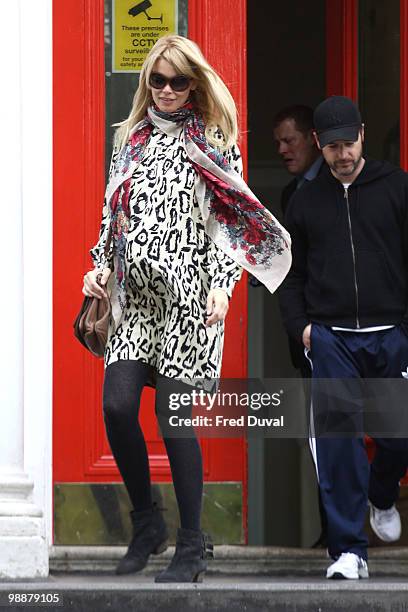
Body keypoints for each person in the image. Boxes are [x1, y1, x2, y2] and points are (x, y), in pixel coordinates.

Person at [82, 35, 291, 583]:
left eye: (179, 80)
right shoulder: (129, 138)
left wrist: (224, 284)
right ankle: (147, 522)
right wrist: (99, 266)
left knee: (174, 420)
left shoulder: (215, 140)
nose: (168, 90)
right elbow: (112, 210)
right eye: (159, 80)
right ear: (146, 83)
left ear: (193, 83)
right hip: (136, 303)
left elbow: (231, 218)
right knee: (118, 407)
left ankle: (192, 546)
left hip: (190, 301)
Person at [279, 95, 408, 579]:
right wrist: (303, 329)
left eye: (348, 143)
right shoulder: (305, 201)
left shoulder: (397, 188)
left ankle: (381, 492)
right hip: (332, 339)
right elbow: (288, 274)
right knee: (338, 443)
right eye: (332, 147)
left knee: (399, 438)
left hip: (391, 335)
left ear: (362, 134)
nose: (343, 154)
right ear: (319, 144)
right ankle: (349, 550)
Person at [274, 105, 327, 548]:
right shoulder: (292, 193)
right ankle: (335, 530)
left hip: (350, 331)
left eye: (290, 140)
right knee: (320, 436)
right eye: (278, 142)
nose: (282, 149)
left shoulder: (337, 187)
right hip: (311, 338)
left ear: (313, 139)